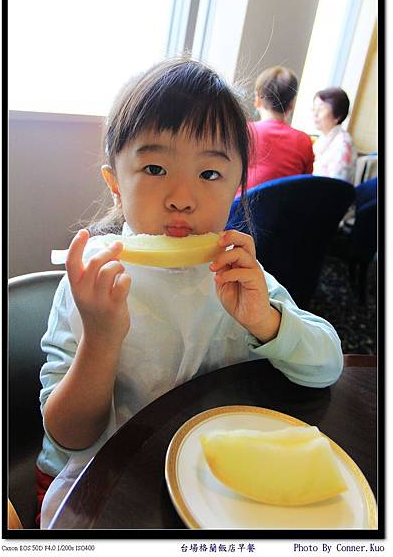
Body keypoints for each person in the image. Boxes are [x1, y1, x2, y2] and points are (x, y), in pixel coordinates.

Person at [36, 57, 343, 528]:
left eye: (210, 174)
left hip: (212, 483)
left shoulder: (238, 272)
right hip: (109, 480)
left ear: (238, 187)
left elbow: (328, 365)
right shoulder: (92, 283)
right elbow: (67, 439)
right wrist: (99, 338)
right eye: (155, 167)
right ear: (115, 184)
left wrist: (268, 322)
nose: (182, 196)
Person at [239, 66, 314, 193]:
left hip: (240, 209)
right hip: (284, 211)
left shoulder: (243, 131)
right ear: (291, 105)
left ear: (257, 101)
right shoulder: (304, 141)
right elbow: (305, 186)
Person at [312, 87, 358, 184]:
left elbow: (336, 187)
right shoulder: (324, 137)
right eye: (314, 108)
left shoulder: (343, 144)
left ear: (338, 116)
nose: (315, 114)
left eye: (320, 109)